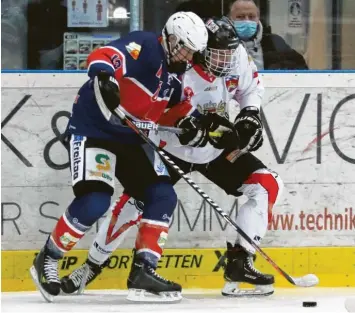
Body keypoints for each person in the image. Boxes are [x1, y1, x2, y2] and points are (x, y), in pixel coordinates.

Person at [60, 16, 283, 298]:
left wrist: (250, 115)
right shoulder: (177, 65)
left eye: (229, 54)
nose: (225, 61)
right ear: (198, 49)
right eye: (217, 54)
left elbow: (250, 88)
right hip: (168, 146)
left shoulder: (232, 53)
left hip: (212, 146)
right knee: (136, 203)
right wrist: (184, 126)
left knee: (266, 184)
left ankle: (240, 261)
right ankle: (92, 266)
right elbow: (151, 110)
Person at [29, 11, 208, 303]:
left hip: (130, 138)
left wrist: (194, 125)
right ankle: (48, 258)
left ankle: (143, 271)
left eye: (193, 53)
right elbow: (105, 55)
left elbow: (177, 110)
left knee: (162, 195)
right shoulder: (145, 45)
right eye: (186, 49)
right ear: (172, 39)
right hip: (94, 129)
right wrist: (104, 77)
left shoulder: (174, 77)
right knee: (95, 201)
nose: (189, 57)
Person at [228, 0, 308, 70]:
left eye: (251, 16)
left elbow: (301, 70)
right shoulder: (222, 45)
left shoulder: (275, 43)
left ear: (258, 18)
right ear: (230, 19)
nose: (246, 21)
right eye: (240, 17)